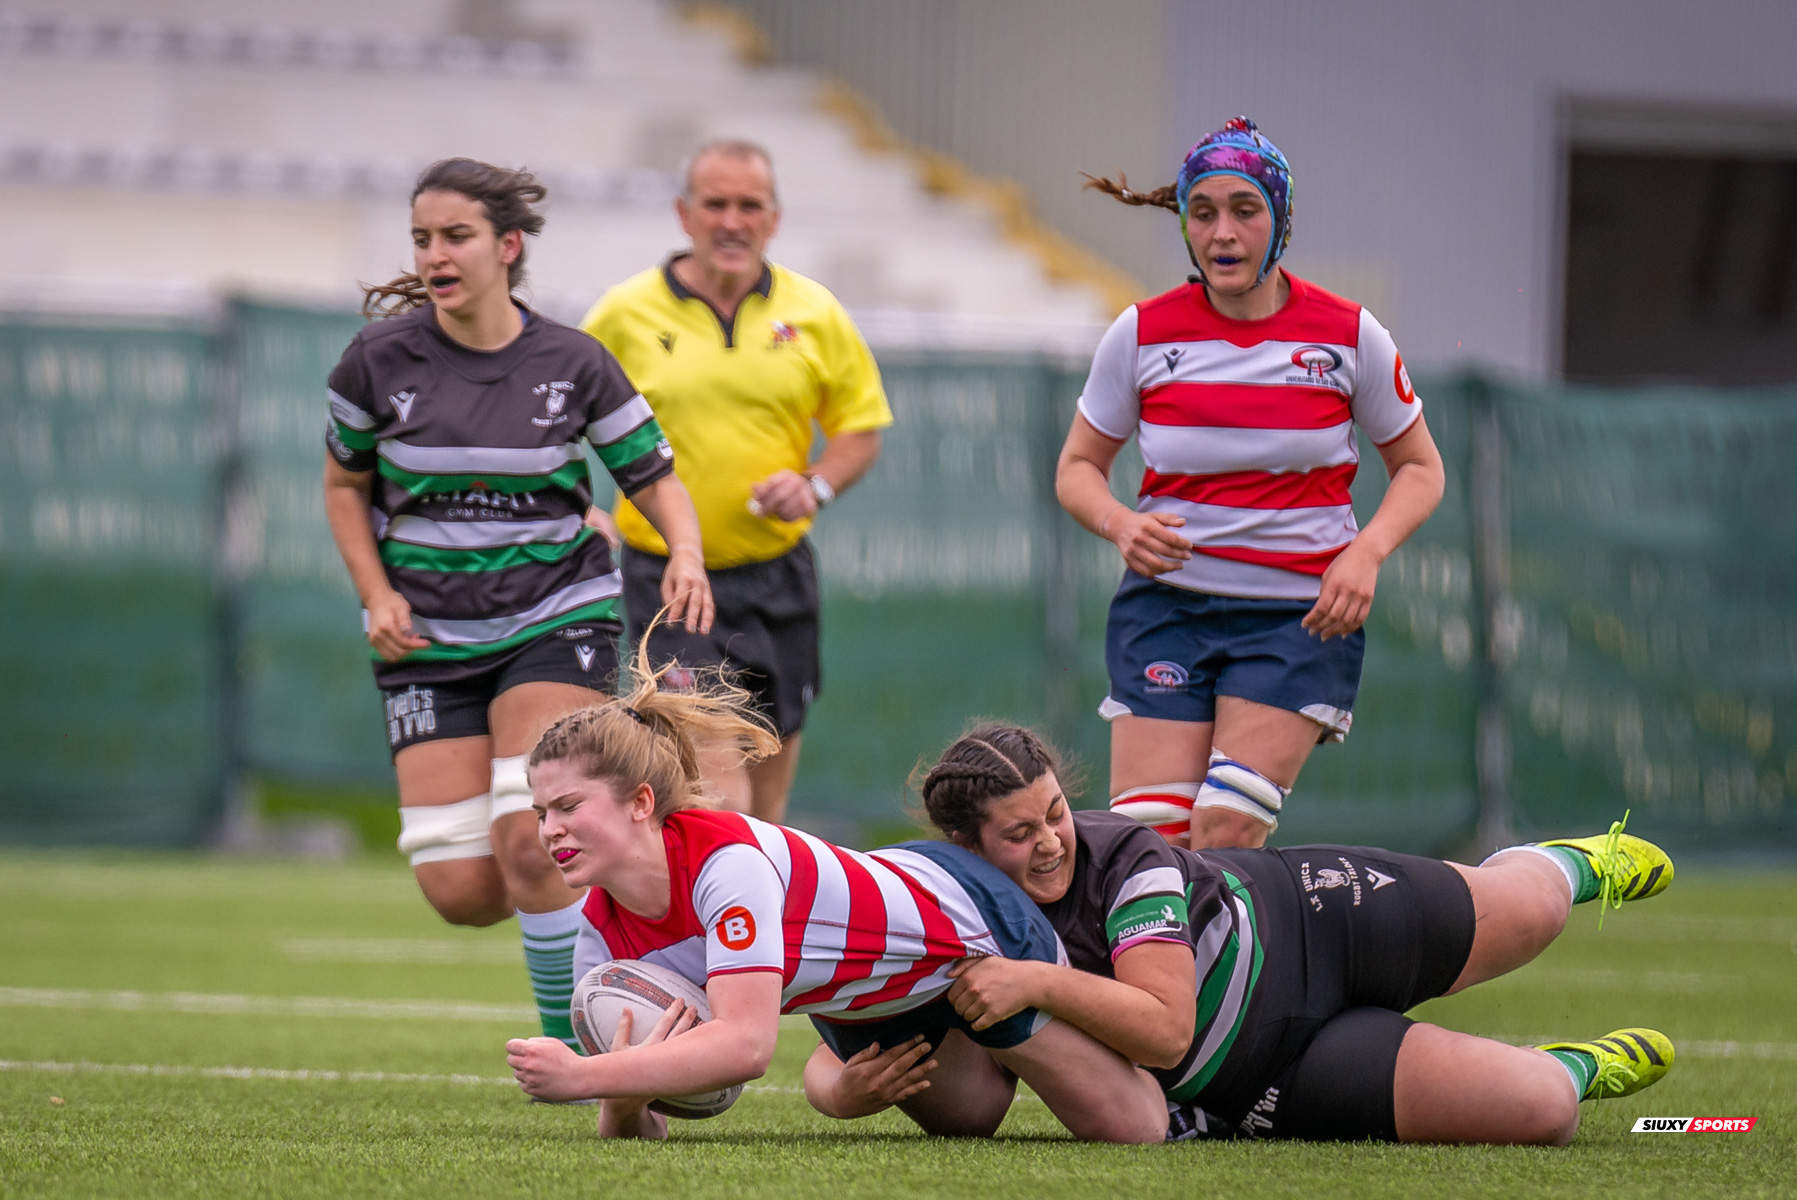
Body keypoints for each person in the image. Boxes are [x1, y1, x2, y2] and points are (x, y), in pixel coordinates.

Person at [811, 725, 1676, 1144]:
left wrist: (1034, 981)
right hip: (1268, 1079)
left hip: (1316, 923)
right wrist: (837, 1092)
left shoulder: (1126, 858)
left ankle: (1566, 863)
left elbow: (1164, 1027)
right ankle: (1576, 1065)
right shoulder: (939, 903)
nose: (1051, 841)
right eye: (1019, 833)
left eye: (1055, 812)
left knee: (1531, 916)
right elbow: (836, 1006)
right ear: (966, 848)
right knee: (1544, 1111)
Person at [322, 157, 714, 1052]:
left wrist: (684, 550)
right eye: (422, 237)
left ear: (507, 246)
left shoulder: (573, 362)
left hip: (554, 614)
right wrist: (375, 593)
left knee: (537, 840)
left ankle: (576, 1047)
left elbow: (653, 478)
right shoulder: (376, 363)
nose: (435, 254)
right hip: (425, 633)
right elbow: (343, 486)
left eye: (455, 236)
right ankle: (611, 910)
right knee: (461, 891)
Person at [502, 643, 1167, 1144]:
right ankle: (987, 1043)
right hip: (870, 1005)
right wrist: (621, 1095)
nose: (548, 830)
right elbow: (634, 1130)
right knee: (971, 1120)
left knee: (1137, 1129)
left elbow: (746, 1047)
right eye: (539, 812)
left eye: (567, 806)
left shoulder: (725, 864)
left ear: (641, 803)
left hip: (971, 922)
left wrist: (581, 1076)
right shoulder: (599, 928)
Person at [1057, 118, 1446, 849]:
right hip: (1165, 611)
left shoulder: (1349, 334)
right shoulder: (1141, 333)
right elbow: (1077, 468)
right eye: (1203, 213)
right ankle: (1170, 967)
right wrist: (1120, 522)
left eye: (1245, 210)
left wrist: (1366, 553)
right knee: (1148, 843)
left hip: (1297, 618)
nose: (1222, 233)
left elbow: (1422, 470)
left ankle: (1227, 963)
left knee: (1227, 826)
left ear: (1281, 220)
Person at [579, 139, 892, 823]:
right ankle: (721, 915)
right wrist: (580, 504)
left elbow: (860, 428)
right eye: (715, 204)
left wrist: (815, 485)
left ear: (773, 219)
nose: (731, 221)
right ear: (683, 214)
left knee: (767, 803)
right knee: (719, 784)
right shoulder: (624, 314)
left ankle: (745, 919)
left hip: (778, 576)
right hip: (669, 578)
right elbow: (556, 413)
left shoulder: (815, 313)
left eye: (748, 205)